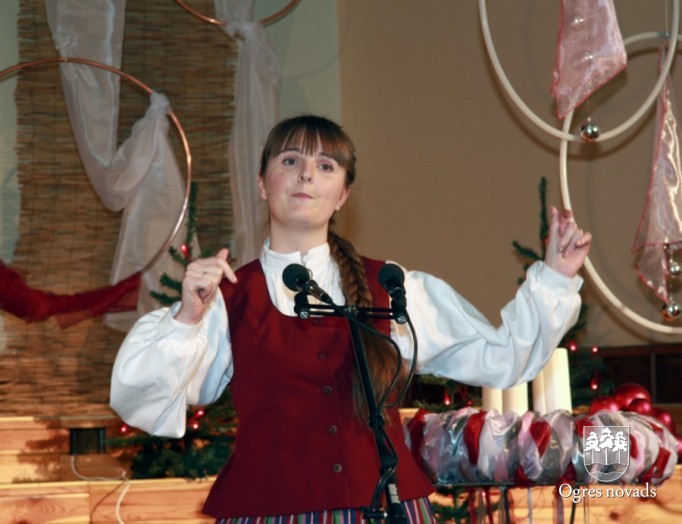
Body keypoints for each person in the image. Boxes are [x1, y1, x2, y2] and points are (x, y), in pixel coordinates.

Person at [110, 115, 592, 523]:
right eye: (290, 161)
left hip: (384, 507)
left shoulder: (392, 286)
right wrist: (186, 317)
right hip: (272, 511)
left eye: (325, 166)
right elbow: (144, 401)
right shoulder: (226, 297)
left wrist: (555, 278)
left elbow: (499, 358)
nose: (306, 175)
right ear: (261, 184)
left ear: (342, 195)